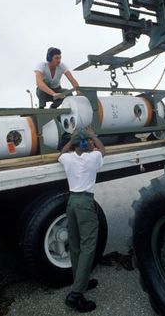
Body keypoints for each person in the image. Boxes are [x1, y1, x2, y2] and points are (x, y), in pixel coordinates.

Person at [58, 126, 105, 313]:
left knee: (76, 246)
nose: (93, 143)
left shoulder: (68, 158)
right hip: (85, 203)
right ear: (85, 143)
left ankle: (81, 281)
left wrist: (74, 139)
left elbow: (63, 152)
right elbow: (104, 150)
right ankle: (76, 295)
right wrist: (92, 135)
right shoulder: (92, 157)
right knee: (88, 247)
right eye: (90, 141)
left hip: (72, 203)